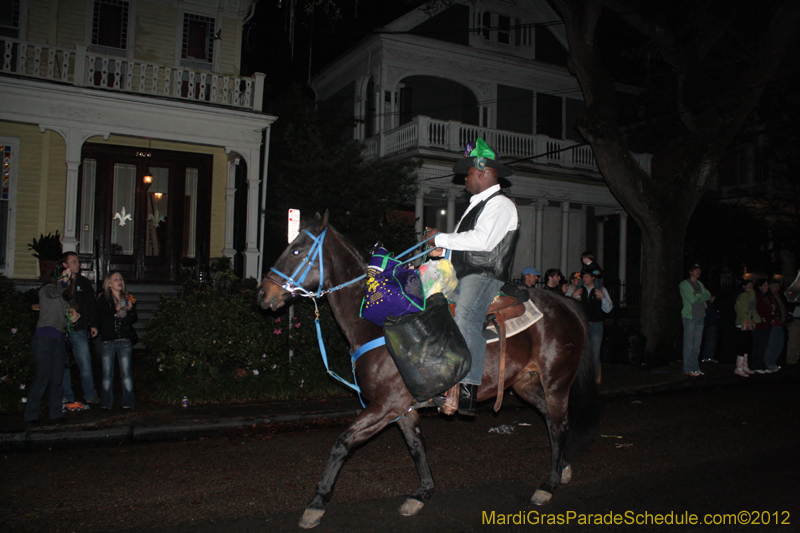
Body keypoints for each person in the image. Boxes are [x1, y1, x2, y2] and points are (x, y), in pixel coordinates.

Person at [426, 138, 519, 416]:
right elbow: (464, 245)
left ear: (482, 171)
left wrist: (440, 237)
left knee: (466, 314)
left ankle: (467, 389)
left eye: (467, 174)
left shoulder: (500, 204)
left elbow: (482, 240)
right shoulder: (477, 204)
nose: (464, 179)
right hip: (463, 274)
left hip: (483, 275)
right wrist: (442, 251)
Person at [24, 265, 78, 423]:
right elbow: (56, 291)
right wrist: (64, 280)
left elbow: (65, 323)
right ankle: (31, 415)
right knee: (42, 378)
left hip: (59, 340)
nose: (68, 280)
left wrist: (72, 321)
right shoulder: (47, 290)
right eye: (65, 276)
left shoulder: (63, 300)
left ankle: (56, 414)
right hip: (44, 340)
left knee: (57, 379)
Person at [59, 252, 99, 408]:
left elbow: (91, 305)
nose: (78, 264)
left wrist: (93, 324)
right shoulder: (58, 282)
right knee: (63, 364)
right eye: (74, 261)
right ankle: (66, 396)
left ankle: (90, 395)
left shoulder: (84, 283)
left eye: (78, 262)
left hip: (79, 329)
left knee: (85, 364)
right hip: (61, 329)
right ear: (65, 265)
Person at [97, 272, 138, 410]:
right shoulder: (103, 298)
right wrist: (116, 309)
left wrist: (131, 310)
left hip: (124, 339)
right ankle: (106, 402)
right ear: (109, 284)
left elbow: (133, 319)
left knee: (126, 373)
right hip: (108, 340)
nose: (119, 281)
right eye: (115, 279)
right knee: (107, 374)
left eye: (120, 279)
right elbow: (101, 318)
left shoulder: (127, 297)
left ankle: (128, 401)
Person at [572, 267, 612, 382]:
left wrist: (603, 297)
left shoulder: (601, 289)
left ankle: (593, 379)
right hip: (583, 325)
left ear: (593, 277)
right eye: (583, 276)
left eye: (587, 276)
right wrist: (573, 296)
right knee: (581, 352)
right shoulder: (580, 290)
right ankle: (581, 377)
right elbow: (571, 307)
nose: (584, 279)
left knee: (594, 353)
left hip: (596, 325)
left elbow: (608, 309)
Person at [679, 263, 713, 377]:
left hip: (700, 316)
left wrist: (699, 296)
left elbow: (708, 295)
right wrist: (700, 297)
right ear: (690, 272)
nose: (698, 272)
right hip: (690, 317)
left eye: (699, 270)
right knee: (689, 344)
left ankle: (695, 367)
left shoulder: (699, 283)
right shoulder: (684, 284)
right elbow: (692, 299)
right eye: (695, 270)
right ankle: (687, 368)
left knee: (697, 345)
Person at [733, 279, 759, 377]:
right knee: (742, 344)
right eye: (749, 285)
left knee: (747, 344)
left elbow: (753, 308)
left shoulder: (750, 296)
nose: (751, 287)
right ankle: (739, 367)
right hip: (743, 323)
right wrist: (746, 319)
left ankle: (745, 366)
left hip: (749, 322)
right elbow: (742, 310)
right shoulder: (743, 296)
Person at [763, 279, 787, 373]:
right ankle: (768, 363)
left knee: (778, 345)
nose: (777, 288)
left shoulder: (779, 296)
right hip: (773, 323)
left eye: (778, 286)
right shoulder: (769, 296)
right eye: (775, 286)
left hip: (780, 323)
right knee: (771, 345)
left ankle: (772, 363)